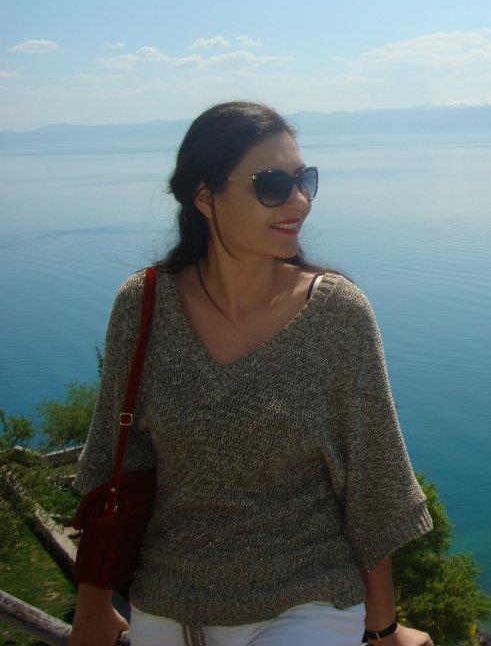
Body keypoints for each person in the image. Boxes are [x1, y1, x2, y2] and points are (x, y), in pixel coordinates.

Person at [69, 102, 435, 646]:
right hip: (165, 600)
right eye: (274, 185)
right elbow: (114, 461)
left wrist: (383, 628)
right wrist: (93, 607)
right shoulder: (144, 306)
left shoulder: (336, 315)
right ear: (204, 198)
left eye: (304, 180)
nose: (301, 201)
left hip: (306, 597)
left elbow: (372, 479)